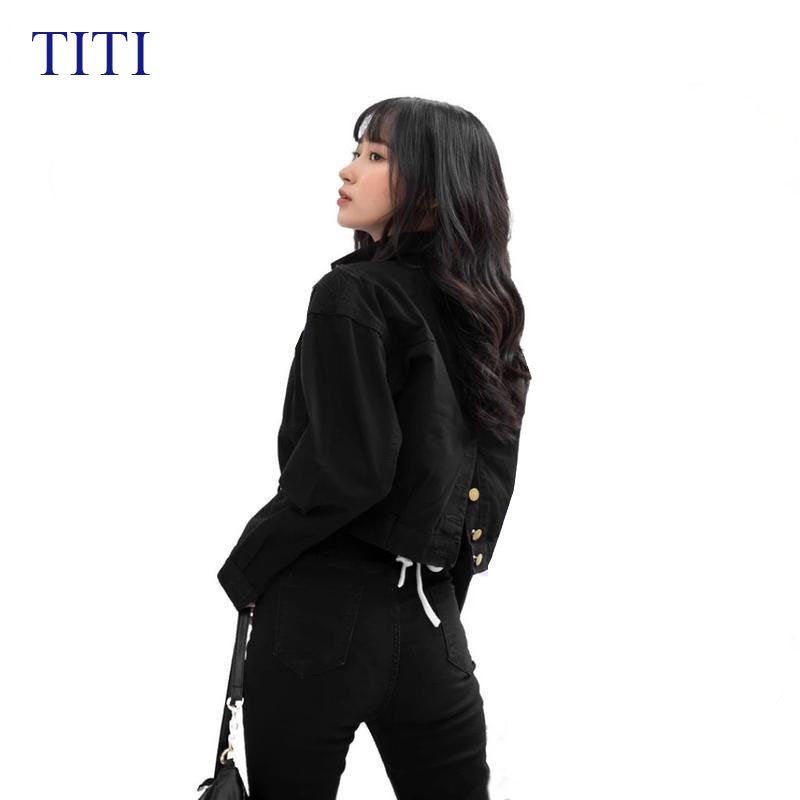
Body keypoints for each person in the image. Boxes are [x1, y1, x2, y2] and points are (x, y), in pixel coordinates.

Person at [216, 96, 530, 800]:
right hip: (431, 621)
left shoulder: (350, 294)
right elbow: (486, 487)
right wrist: (444, 586)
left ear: (433, 188)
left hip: (319, 616)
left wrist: (250, 563)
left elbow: (350, 469)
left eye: (377, 156)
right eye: (358, 151)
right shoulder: (487, 315)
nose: (349, 169)